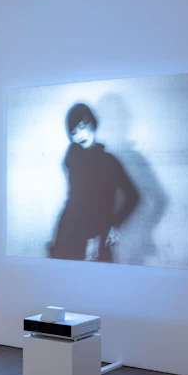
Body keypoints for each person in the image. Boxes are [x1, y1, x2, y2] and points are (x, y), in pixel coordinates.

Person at [49, 103, 139, 262]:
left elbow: (133, 196)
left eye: (83, 127)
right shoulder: (73, 157)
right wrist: (93, 237)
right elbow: (81, 202)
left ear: (93, 123)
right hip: (71, 234)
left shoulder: (109, 161)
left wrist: (114, 224)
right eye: (74, 132)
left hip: (95, 237)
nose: (80, 135)